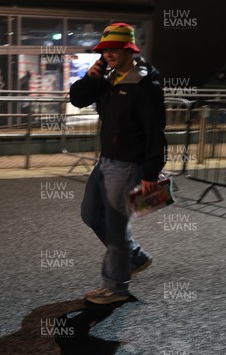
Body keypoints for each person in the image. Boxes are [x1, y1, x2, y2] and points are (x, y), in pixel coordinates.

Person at [69, 23, 167, 304]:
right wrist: (92, 76)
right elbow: (77, 99)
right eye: (104, 49)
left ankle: (116, 287)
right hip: (106, 161)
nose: (109, 53)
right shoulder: (108, 78)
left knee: (115, 226)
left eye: (115, 48)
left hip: (127, 165)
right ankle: (134, 256)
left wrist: (150, 172)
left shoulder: (144, 83)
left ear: (129, 49)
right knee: (91, 214)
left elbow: (155, 131)